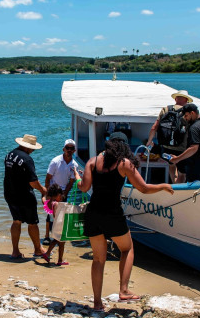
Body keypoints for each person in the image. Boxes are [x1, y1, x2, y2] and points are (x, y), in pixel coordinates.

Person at [73, 132, 173, 312]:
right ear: (124, 147)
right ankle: (124, 290)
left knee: (98, 259)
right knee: (127, 249)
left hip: (94, 213)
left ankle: (97, 303)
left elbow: (84, 187)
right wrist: (163, 186)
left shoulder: (92, 162)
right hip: (112, 213)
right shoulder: (124, 163)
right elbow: (143, 188)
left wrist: (78, 177)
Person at [4, 134, 47, 259]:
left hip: (9, 192)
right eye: (32, 148)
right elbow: (33, 182)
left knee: (16, 221)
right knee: (32, 222)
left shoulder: (10, 155)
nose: (33, 150)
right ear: (28, 147)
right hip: (24, 195)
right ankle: (38, 249)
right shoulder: (27, 159)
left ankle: (15, 251)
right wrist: (43, 190)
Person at [146, 90, 192, 183]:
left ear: (175, 99)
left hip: (167, 146)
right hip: (182, 148)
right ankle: (178, 189)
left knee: (171, 165)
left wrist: (149, 142)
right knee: (182, 172)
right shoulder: (188, 112)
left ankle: (174, 183)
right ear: (186, 100)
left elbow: (154, 127)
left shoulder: (166, 109)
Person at [42, 139, 78, 245]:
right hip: (52, 191)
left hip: (62, 192)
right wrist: (47, 194)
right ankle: (47, 236)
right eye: (67, 148)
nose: (69, 150)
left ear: (74, 150)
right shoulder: (55, 161)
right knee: (49, 215)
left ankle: (58, 236)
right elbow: (48, 178)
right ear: (63, 149)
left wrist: (64, 194)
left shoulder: (74, 164)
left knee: (61, 215)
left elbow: (71, 182)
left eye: (72, 148)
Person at [170, 103, 200, 182]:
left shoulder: (194, 128)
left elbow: (194, 148)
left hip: (198, 172)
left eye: (186, 115)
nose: (185, 118)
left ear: (192, 113)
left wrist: (177, 159)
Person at [41, 184, 69, 266]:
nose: (61, 197)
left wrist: (44, 194)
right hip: (58, 224)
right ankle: (48, 253)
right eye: (60, 195)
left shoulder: (48, 202)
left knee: (59, 241)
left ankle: (59, 259)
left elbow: (43, 200)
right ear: (56, 195)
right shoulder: (56, 204)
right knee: (59, 241)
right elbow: (57, 215)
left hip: (52, 224)